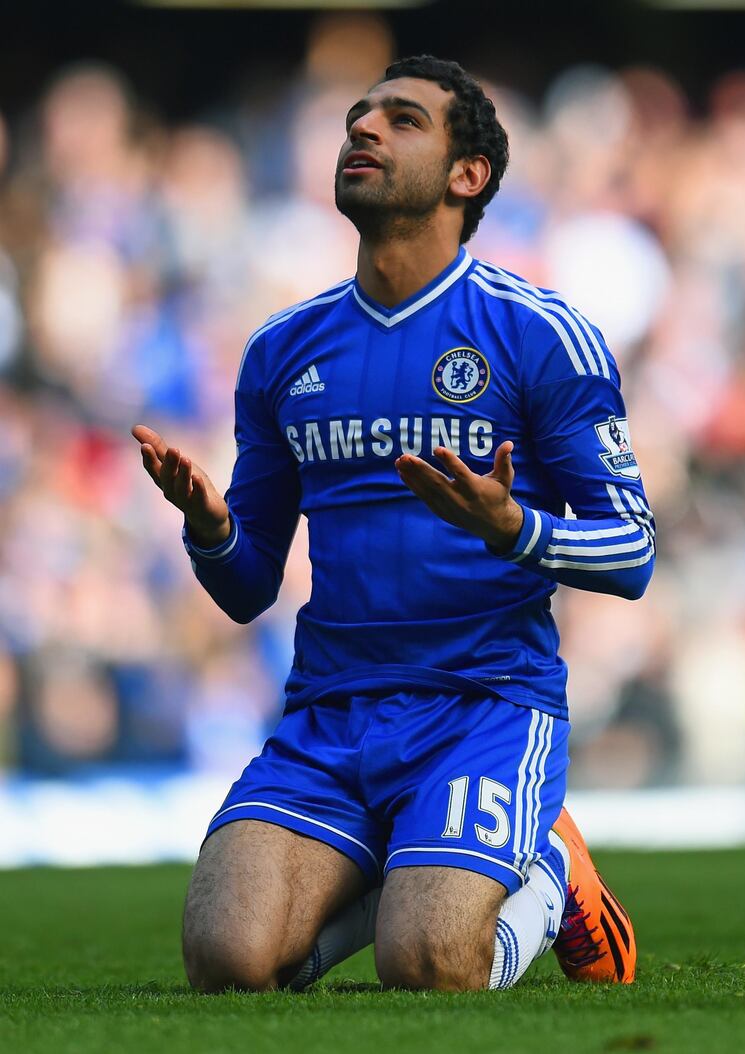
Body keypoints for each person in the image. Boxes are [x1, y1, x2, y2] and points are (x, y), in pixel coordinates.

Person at [133, 55, 652, 992]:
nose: (363, 130)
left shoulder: (538, 332)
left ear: (468, 176)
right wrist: (211, 528)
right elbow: (248, 589)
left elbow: (634, 552)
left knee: (431, 967)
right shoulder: (283, 351)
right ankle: (409, 855)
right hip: (333, 713)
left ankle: (550, 874)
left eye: (402, 120)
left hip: (485, 705)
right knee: (226, 961)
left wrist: (516, 531)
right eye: (358, 118)